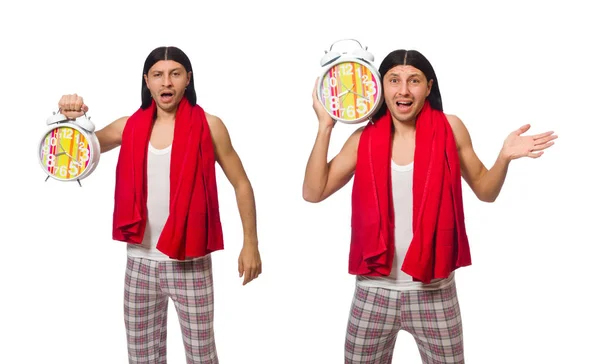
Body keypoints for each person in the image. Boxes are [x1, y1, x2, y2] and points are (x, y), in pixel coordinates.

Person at [303, 49, 556, 363]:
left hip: (435, 290)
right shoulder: (363, 138)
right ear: (381, 87)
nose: (404, 90)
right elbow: (313, 192)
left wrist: (503, 157)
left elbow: (486, 191)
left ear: (429, 87)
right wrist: (325, 126)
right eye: (394, 80)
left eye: (414, 81)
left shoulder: (451, 128)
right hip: (374, 290)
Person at [58, 46, 262, 364]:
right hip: (139, 262)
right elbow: (77, 150)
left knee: (201, 356)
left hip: (189, 261)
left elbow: (241, 183)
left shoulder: (210, 126)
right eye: (158, 75)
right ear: (147, 81)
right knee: (142, 358)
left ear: (187, 79)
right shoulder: (128, 126)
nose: (166, 82)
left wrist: (251, 243)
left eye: (175, 73)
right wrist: (70, 117)